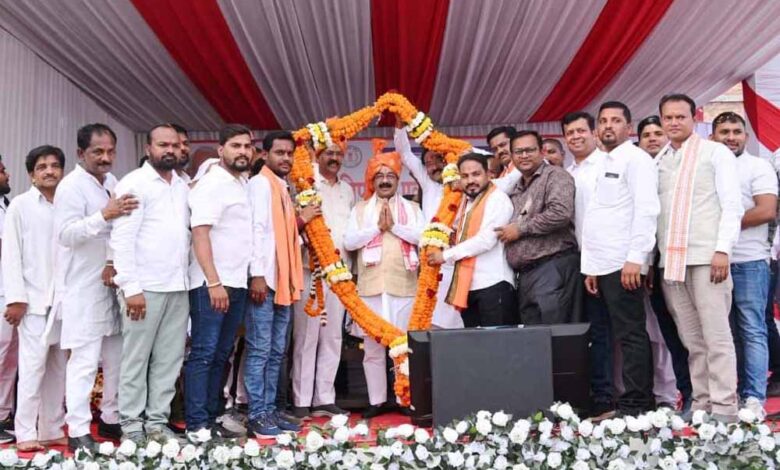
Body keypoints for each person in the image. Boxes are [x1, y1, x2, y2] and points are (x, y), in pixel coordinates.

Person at [656, 94, 743, 421]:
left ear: (694, 119)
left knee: (717, 336)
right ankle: (703, 404)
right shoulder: (659, 160)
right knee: (692, 340)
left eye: (680, 116)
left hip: (708, 257)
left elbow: (732, 205)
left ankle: (725, 407)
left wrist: (723, 249)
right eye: (668, 117)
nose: (674, 122)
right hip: (671, 262)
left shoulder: (715, 152)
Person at [53, 123, 138, 451]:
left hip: (114, 283)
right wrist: (103, 215)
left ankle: (110, 418)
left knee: (117, 359)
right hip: (84, 288)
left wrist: (114, 261)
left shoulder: (113, 182)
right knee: (85, 361)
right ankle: (77, 430)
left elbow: (122, 230)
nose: (105, 157)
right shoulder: (71, 187)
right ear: (80, 153)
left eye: (110, 151)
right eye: (97, 152)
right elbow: (65, 235)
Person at [394, 118, 519, 329]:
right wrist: (399, 128)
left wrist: (450, 145)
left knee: (489, 339)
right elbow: (405, 154)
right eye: (429, 162)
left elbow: (485, 239)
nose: (434, 165)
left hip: (481, 275)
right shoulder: (434, 187)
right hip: (449, 274)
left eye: (439, 158)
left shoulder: (489, 193)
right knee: (452, 333)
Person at [111, 125, 191, 443]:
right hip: (144, 288)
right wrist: (131, 288)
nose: (169, 150)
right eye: (162, 145)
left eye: (174, 145)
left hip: (178, 285)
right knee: (136, 358)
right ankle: (131, 426)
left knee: (169, 360)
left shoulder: (182, 185)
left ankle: (157, 424)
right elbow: (122, 239)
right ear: (148, 149)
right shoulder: (134, 183)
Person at [581, 101, 658, 416]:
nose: (608, 126)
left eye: (615, 120)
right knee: (610, 336)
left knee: (631, 334)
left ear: (628, 127)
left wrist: (636, 259)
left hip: (624, 263)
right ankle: (623, 401)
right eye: (603, 121)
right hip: (602, 264)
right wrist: (591, 267)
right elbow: (597, 217)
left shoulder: (637, 160)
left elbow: (646, 211)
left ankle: (638, 404)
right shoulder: (602, 162)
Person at [343, 140, 424, 418]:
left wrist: (395, 227)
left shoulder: (413, 209)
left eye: (390, 175)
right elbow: (350, 241)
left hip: (405, 287)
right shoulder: (360, 209)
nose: (385, 180)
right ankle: (376, 401)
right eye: (380, 176)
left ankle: (404, 399)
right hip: (371, 289)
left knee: (404, 347)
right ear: (372, 180)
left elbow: (422, 238)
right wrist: (377, 228)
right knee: (373, 350)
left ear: (398, 179)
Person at [185, 124, 253, 439]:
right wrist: (213, 282)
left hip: (236, 283)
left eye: (247, 146)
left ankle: (211, 418)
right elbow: (200, 233)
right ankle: (197, 424)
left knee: (221, 353)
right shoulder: (213, 183)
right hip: (211, 284)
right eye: (236, 146)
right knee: (204, 353)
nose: (243, 151)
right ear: (221, 150)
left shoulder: (241, 183)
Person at [710, 111, 777, 419]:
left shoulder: (757, 166)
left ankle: (753, 398)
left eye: (736, 131)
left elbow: (766, 211)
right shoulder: (708, 165)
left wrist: (720, 226)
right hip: (712, 261)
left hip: (749, 261)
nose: (731, 137)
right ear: (713, 136)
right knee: (723, 333)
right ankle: (729, 394)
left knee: (752, 329)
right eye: (724, 131)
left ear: (746, 137)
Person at [244, 130, 309, 437]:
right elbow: (256, 230)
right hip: (266, 279)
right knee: (260, 350)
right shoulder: (260, 184)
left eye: (289, 153)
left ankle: (270, 410)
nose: (285, 158)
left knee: (276, 351)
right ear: (264, 155)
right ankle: (256, 414)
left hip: (283, 279)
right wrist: (257, 274)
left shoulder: (282, 186)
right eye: (279, 152)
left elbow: (285, 235)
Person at [2, 146, 66, 451]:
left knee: (58, 369)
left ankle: (51, 428)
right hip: (33, 300)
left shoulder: (68, 204)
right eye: (42, 167)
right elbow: (11, 255)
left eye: (54, 166)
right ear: (31, 174)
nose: (49, 171)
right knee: (32, 368)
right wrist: (16, 298)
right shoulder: (21, 206)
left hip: (65, 301)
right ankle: (26, 432)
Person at [291, 141, 354, 420]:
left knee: (333, 337)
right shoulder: (306, 184)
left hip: (340, 273)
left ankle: (324, 398)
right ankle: (301, 400)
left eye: (339, 154)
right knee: (306, 337)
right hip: (311, 269)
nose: (334, 158)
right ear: (318, 156)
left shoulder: (347, 190)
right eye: (329, 153)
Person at [638, 114, 693, 413]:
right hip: (652, 263)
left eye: (657, 133)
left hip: (683, 259)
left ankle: (696, 393)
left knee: (688, 331)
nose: (652, 139)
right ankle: (681, 392)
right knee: (666, 334)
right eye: (646, 135)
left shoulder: (681, 167)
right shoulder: (638, 169)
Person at [497, 130, 580, 324]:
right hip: (526, 274)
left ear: (541, 152)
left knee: (555, 333)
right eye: (519, 152)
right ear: (512, 156)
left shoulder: (555, 175)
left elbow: (560, 213)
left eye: (530, 150)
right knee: (535, 335)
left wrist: (520, 229)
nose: (524, 155)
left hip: (552, 266)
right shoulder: (516, 187)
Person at [427, 153, 515, 326]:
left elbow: (486, 240)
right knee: (474, 342)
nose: (470, 180)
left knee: (500, 342)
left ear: (488, 174)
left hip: (493, 284)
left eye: (476, 174)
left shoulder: (498, 199)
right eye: (465, 176)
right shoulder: (466, 203)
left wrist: (445, 256)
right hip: (469, 287)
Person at [0, 155, 16, 445]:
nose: (6, 174)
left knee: (11, 359)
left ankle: (2, 415)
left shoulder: (7, 204)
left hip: (11, 291)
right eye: (1, 170)